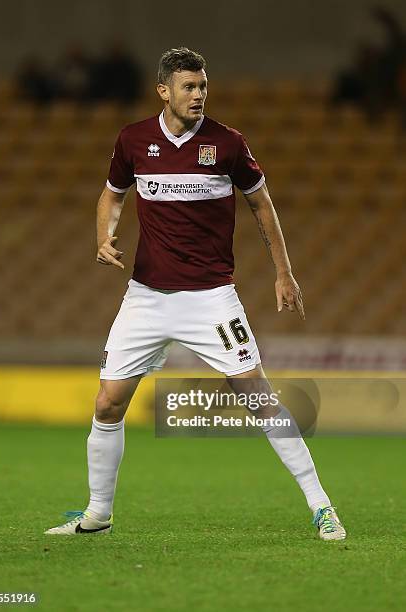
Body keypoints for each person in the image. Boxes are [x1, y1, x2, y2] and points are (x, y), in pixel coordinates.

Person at [45, 48, 346, 541]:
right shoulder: (134, 140)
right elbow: (112, 194)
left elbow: (262, 205)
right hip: (145, 297)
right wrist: (103, 236)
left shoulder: (227, 144)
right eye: (189, 86)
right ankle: (97, 514)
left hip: (211, 299)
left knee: (259, 397)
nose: (199, 95)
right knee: (107, 405)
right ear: (164, 90)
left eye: (203, 86)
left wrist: (283, 272)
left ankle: (322, 507)